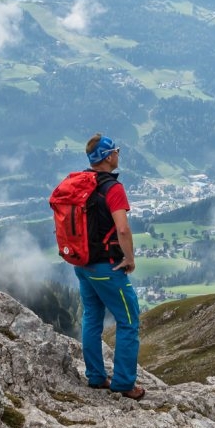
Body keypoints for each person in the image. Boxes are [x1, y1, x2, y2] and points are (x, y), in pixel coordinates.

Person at [74, 133, 144, 400]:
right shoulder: (112, 188)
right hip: (106, 267)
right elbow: (123, 229)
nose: (118, 154)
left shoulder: (82, 183)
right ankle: (125, 384)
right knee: (128, 320)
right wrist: (129, 258)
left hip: (82, 264)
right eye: (116, 150)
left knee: (92, 317)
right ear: (107, 157)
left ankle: (96, 377)